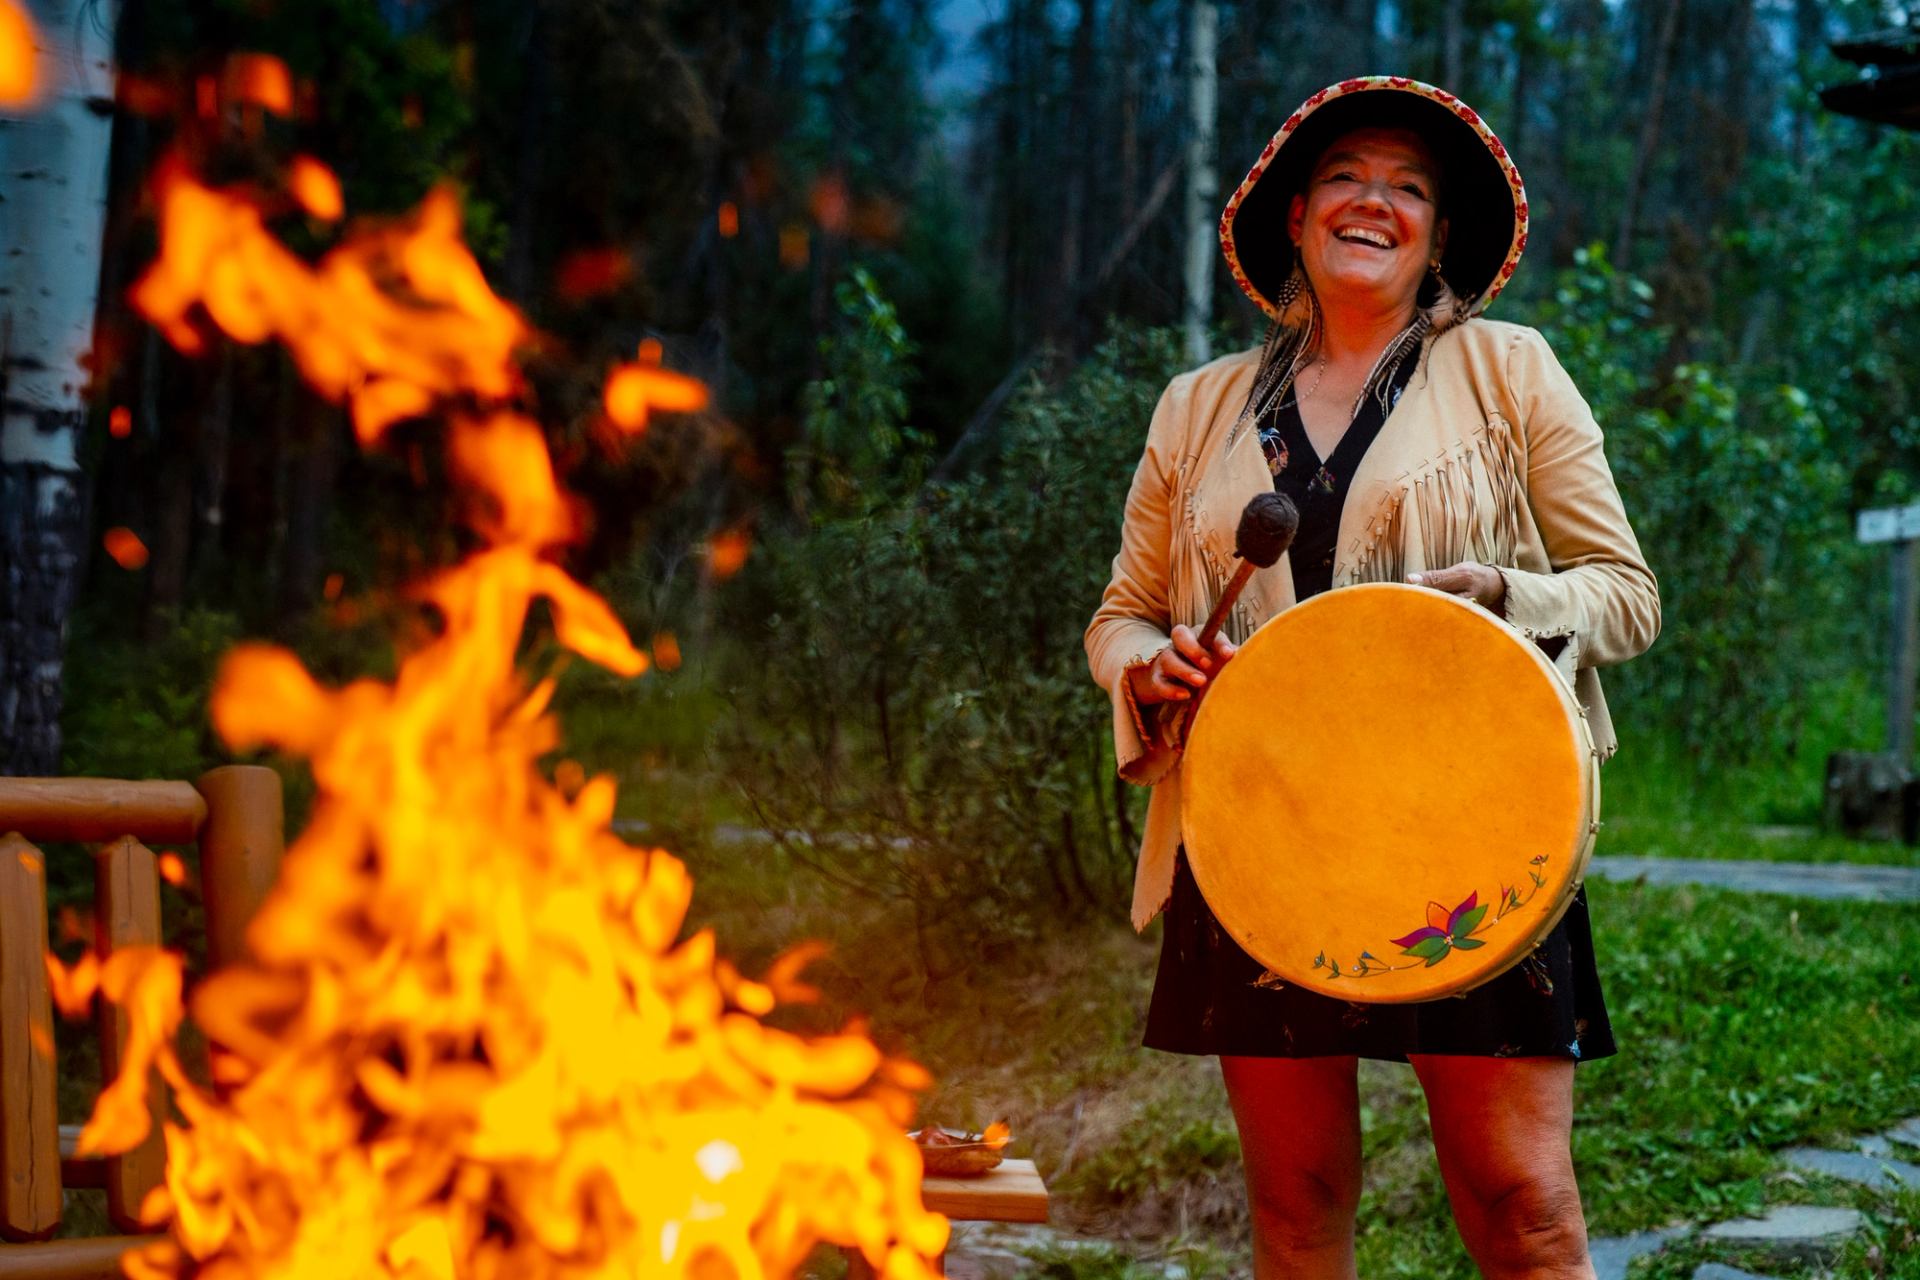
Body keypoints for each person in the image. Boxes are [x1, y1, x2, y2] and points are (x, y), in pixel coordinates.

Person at [1084, 77, 1660, 1280]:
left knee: (1524, 1208)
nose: (1374, 201)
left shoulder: (1510, 373)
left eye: (1408, 186)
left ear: (1439, 236)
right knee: (1294, 1206)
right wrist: (1153, 663)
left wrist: (1507, 598)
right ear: (1294, 215)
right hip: (1264, 832)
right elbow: (1122, 617)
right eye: (1347, 176)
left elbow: (1626, 592)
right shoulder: (1197, 409)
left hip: (1475, 830)